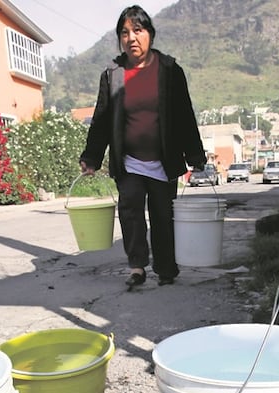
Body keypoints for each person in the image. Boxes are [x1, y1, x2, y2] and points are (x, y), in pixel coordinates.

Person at [79, 5, 207, 287]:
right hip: (130, 160)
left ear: (150, 34)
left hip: (164, 158)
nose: (131, 38)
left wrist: (195, 154)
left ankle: (165, 269)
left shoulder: (170, 71)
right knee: (131, 212)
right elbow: (101, 119)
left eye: (138, 30)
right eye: (124, 33)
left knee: (163, 215)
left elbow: (185, 114)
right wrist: (91, 156)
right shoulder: (112, 74)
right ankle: (137, 266)